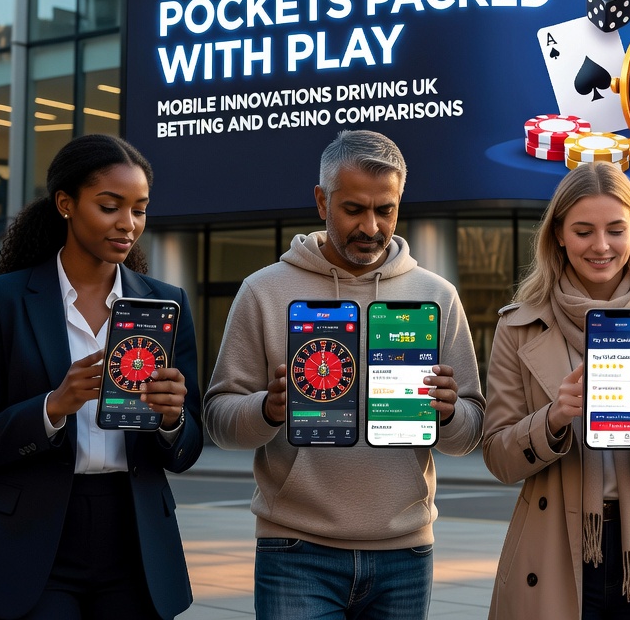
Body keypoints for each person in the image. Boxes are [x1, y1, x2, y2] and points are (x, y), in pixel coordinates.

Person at [205, 130, 485, 619]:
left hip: (406, 553)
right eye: (354, 209)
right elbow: (218, 420)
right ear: (321, 201)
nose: (372, 227)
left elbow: (469, 433)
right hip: (296, 551)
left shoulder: (437, 296)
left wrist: (449, 414)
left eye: (386, 210)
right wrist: (266, 409)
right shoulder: (263, 291)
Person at [0, 133, 203, 620]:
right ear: (65, 203)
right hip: (31, 543)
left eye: (140, 209)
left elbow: (187, 449)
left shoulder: (165, 304)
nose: (128, 224)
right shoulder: (1, 300)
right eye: (110, 206)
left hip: (136, 542)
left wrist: (172, 419)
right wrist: (52, 407)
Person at [481, 162, 630, 619]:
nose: (600, 246)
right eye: (583, 230)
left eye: (615, 229)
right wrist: (550, 420)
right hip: (553, 547)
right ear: (558, 234)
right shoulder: (518, 326)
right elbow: (497, 455)